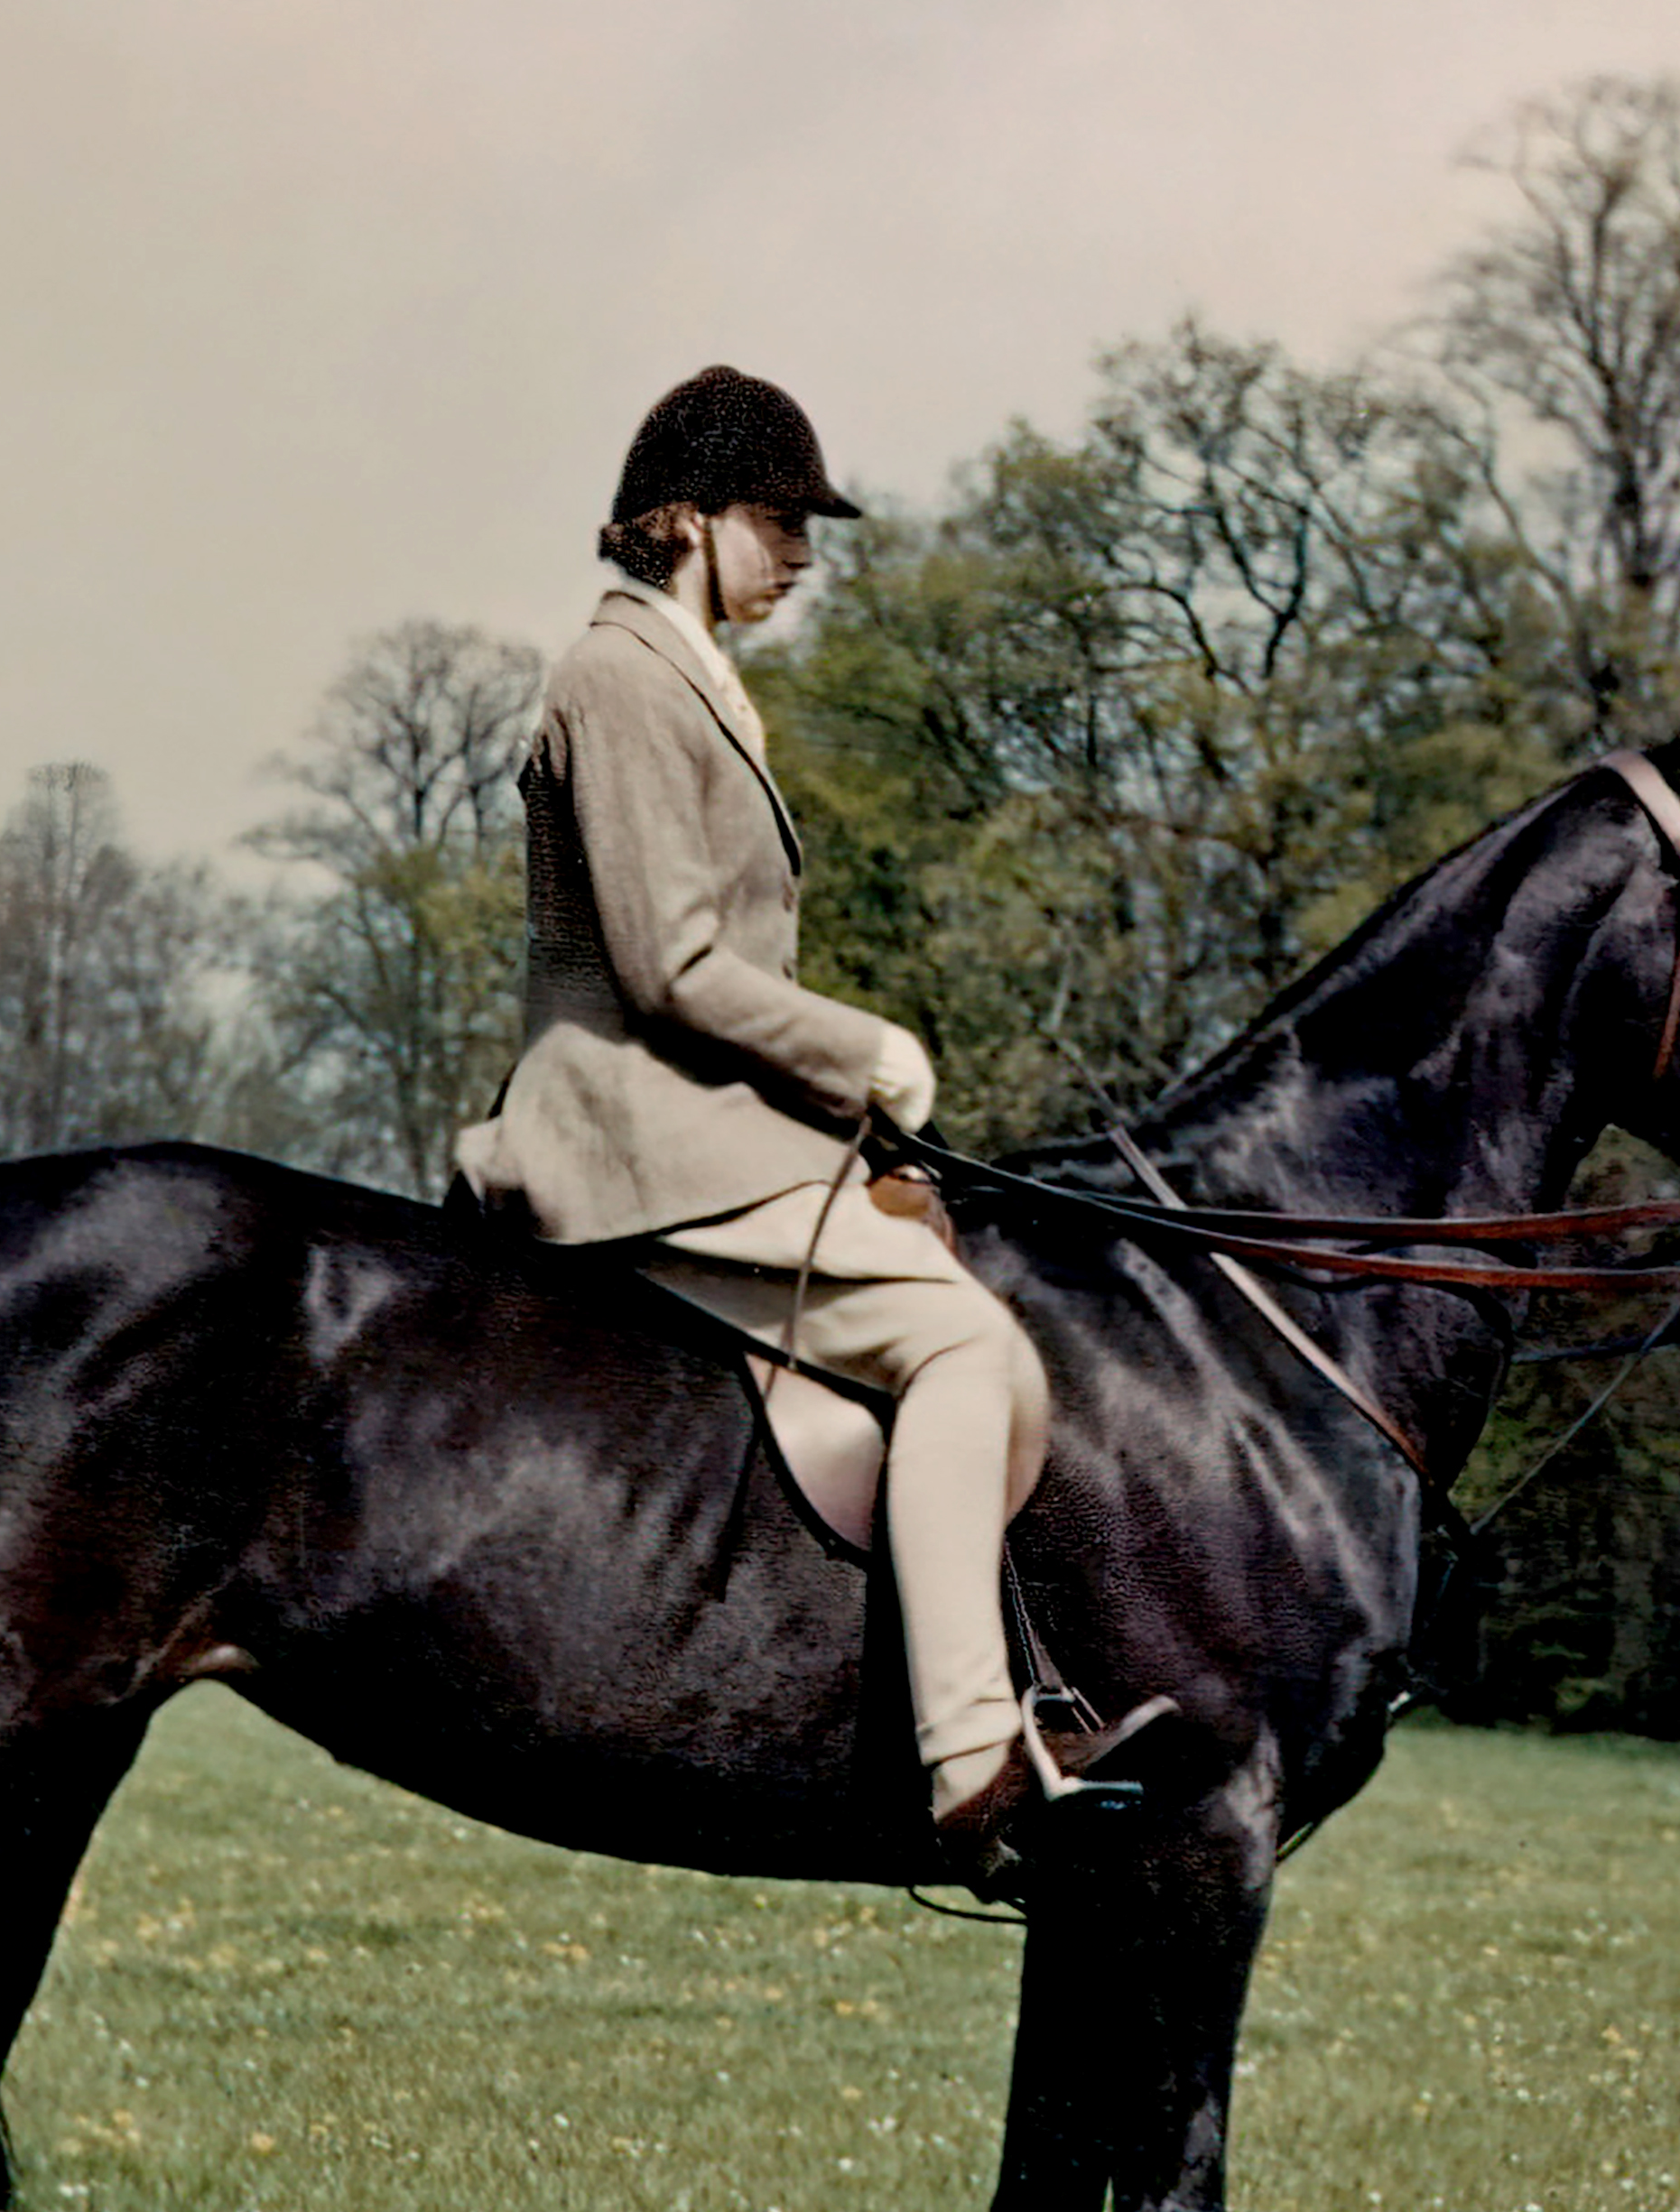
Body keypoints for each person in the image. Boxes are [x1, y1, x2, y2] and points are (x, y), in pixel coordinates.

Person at [456, 366, 1163, 1884]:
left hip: (723, 1126)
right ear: (686, 517)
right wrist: (867, 1053)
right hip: (634, 1137)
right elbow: (673, 965)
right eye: (780, 520)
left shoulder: (695, 677)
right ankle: (977, 1765)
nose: (804, 553)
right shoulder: (622, 677)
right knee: (965, 1347)